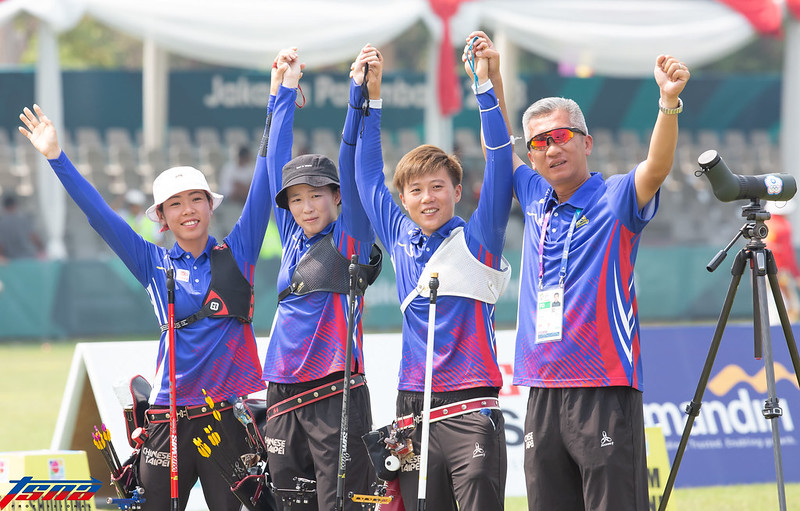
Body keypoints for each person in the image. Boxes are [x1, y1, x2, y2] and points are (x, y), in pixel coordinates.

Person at [472, 30, 691, 511]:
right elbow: (500, 150)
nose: (551, 148)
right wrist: (493, 80)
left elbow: (656, 167)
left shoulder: (615, 197)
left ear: (586, 142)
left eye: (562, 136)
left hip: (603, 388)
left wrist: (667, 104)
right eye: (540, 142)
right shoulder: (532, 197)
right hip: (541, 388)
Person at [19, 99, 274, 510]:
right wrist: (56, 157)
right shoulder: (152, 263)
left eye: (196, 199)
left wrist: (280, 98)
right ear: (161, 218)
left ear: (211, 205)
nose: (188, 210)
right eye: (175, 203)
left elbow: (263, 186)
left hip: (224, 418)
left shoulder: (238, 252)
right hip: (167, 417)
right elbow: (101, 217)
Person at [353, 41, 513, 510]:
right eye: (416, 190)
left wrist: (483, 88)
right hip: (412, 411)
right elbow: (365, 176)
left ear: (457, 191)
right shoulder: (399, 233)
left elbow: (502, 164)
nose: (427, 198)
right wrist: (374, 95)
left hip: (472, 409)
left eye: (437, 187)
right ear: (403, 199)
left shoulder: (479, 238)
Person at [262, 47, 379, 510]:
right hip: (280, 389)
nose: (306, 207)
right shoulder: (291, 232)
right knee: (290, 504)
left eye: (316, 196)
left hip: (336, 389)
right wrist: (284, 91)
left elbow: (352, 165)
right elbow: (275, 158)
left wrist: (358, 94)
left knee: (345, 505)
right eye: (295, 199)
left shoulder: (351, 236)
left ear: (335, 197)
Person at [765, 200, 800, 324]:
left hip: (764, 272)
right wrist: (796, 275)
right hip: (780, 273)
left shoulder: (765, 225)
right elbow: (787, 254)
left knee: (768, 305)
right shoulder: (784, 227)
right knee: (790, 307)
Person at [0, 194, 44, 262]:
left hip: (11, 261)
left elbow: (1, 246)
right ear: (15, 205)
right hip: (28, 258)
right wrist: (41, 248)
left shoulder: (2, 224)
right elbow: (34, 237)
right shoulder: (24, 220)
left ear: (4, 207)